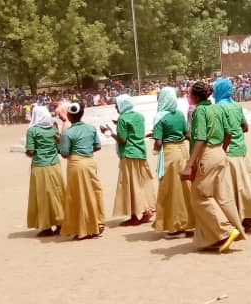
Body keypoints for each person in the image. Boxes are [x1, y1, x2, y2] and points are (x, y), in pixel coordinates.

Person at [181, 81, 244, 252]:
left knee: (200, 196)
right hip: (220, 153)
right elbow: (228, 133)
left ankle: (226, 230)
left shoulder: (200, 111)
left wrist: (189, 165)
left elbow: (200, 138)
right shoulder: (217, 108)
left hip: (207, 154)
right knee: (221, 196)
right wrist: (221, 151)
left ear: (195, 96)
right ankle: (213, 238)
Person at [213, 77, 251, 232]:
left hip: (227, 151)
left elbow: (219, 131)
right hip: (241, 150)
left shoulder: (217, 108)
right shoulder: (236, 105)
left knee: (229, 188)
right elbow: (245, 127)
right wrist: (237, 132)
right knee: (245, 185)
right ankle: (249, 217)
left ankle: (232, 220)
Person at [102, 94, 156, 226]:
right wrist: (119, 125)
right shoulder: (139, 116)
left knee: (130, 185)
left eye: (117, 105)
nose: (116, 107)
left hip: (129, 153)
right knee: (141, 183)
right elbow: (134, 131)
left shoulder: (122, 119)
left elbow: (122, 140)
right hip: (140, 152)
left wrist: (109, 132)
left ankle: (136, 215)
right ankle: (147, 208)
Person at [148, 87, 193, 237]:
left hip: (169, 154)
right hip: (182, 152)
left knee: (171, 190)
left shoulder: (160, 117)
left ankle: (176, 225)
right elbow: (187, 134)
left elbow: (159, 142)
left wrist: (155, 148)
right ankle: (190, 222)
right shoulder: (179, 114)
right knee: (185, 188)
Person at [59, 102, 105, 240]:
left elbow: (64, 153)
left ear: (69, 115)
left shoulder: (68, 132)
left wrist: (58, 141)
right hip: (89, 163)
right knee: (93, 192)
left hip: (75, 165)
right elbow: (97, 146)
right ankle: (97, 223)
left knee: (78, 195)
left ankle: (83, 228)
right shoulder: (91, 128)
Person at [25, 105, 66, 237]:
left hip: (40, 166)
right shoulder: (53, 130)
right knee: (57, 194)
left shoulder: (32, 131)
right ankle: (60, 224)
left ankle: (46, 226)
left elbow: (31, 151)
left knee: (42, 196)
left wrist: (28, 152)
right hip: (55, 166)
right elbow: (59, 149)